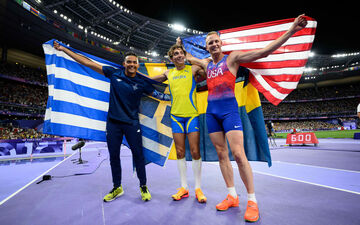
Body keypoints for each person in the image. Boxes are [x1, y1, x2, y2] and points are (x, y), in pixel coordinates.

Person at [183, 14, 308, 222]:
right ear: (207, 47)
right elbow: (188, 58)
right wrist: (180, 45)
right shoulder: (207, 65)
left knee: (239, 155)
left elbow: (264, 52)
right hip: (211, 114)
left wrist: (292, 30)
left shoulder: (231, 59)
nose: (213, 44)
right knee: (222, 155)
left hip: (230, 111)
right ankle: (232, 195)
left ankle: (252, 200)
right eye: (210, 43)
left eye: (216, 41)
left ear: (221, 44)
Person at [53, 41, 170, 202]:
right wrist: (64, 49)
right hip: (113, 124)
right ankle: (117, 187)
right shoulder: (114, 73)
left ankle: (143, 186)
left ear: (138, 65)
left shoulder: (143, 83)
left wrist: (178, 94)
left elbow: (160, 96)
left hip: (132, 124)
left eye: (134, 62)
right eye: (129, 62)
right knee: (114, 156)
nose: (131, 64)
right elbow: (88, 62)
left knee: (138, 156)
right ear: (124, 64)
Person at [151, 43, 208, 203]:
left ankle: (198, 188)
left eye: (180, 53)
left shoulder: (193, 69)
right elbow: (149, 80)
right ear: (171, 58)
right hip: (176, 117)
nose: (178, 56)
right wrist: (134, 77)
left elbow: (208, 67)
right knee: (180, 152)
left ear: (184, 55)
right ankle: (184, 187)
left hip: (192, 116)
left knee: (195, 152)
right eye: (175, 54)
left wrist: (188, 52)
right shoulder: (169, 73)